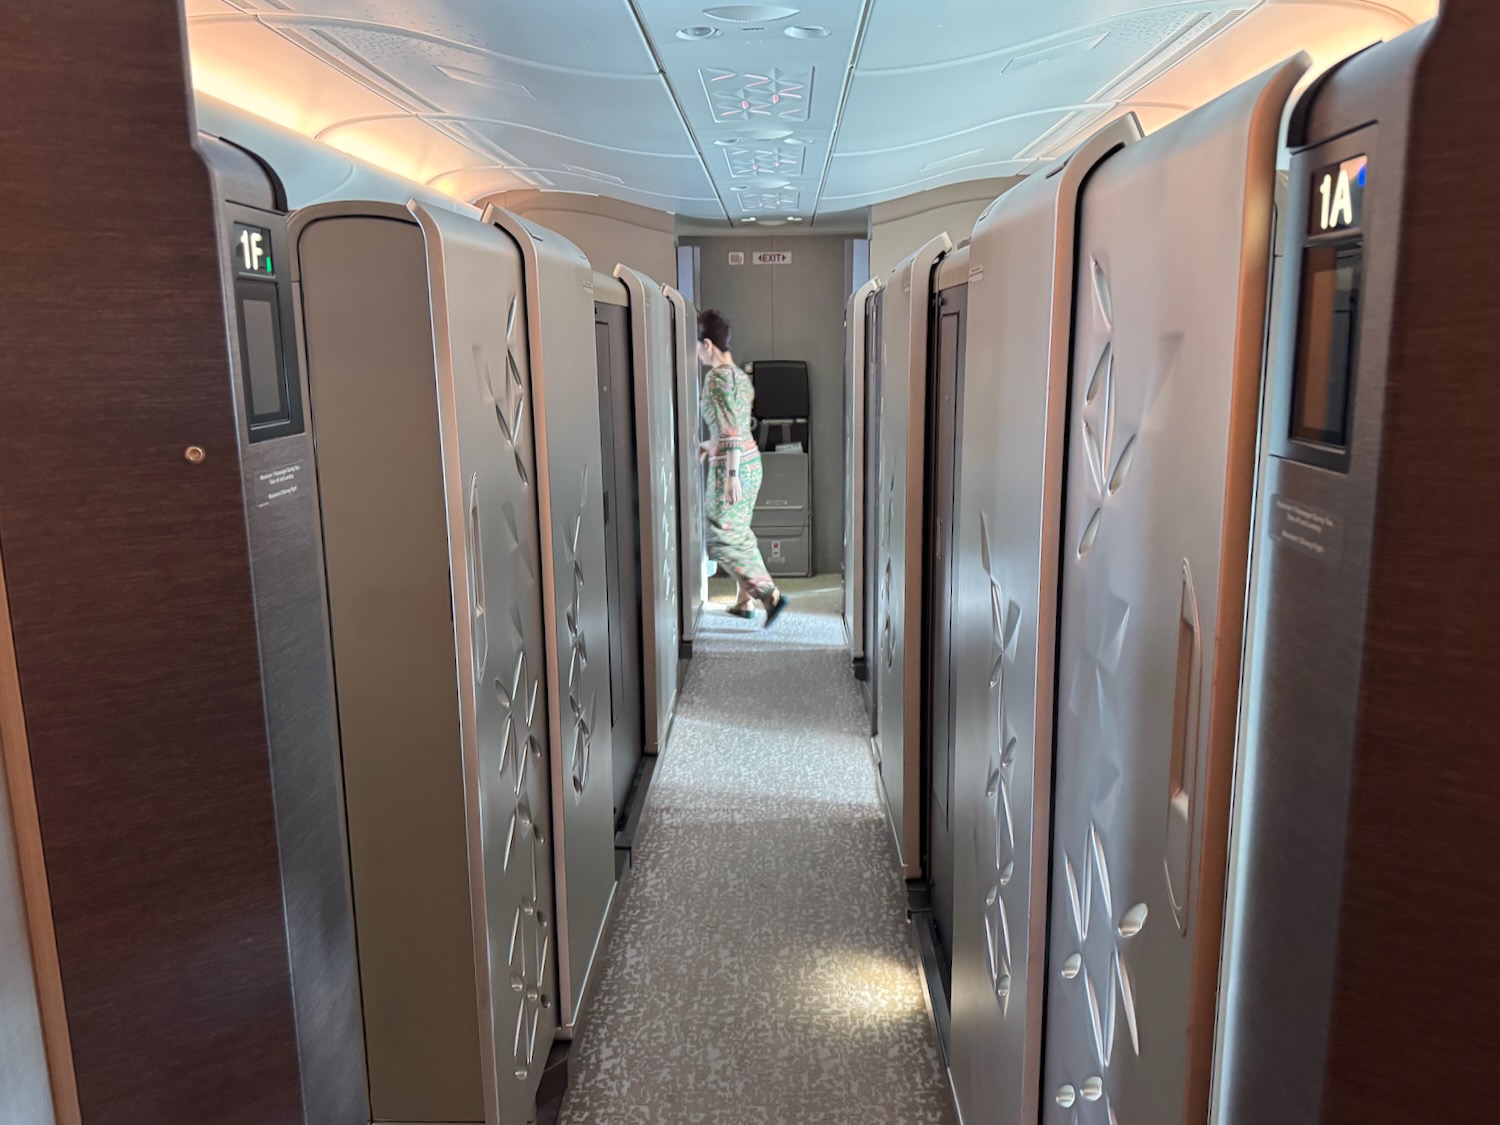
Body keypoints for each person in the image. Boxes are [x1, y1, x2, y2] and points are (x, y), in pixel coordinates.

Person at [696, 309, 789, 627]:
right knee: (740, 532)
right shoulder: (740, 376)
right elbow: (734, 427)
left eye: (696, 347)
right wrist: (710, 445)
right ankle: (743, 601)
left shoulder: (715, 379)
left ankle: (768, 595)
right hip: (751, 463)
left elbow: (731, 429)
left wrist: (730, 475)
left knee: (720, 535)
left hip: (732, 470)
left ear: (707, 344)